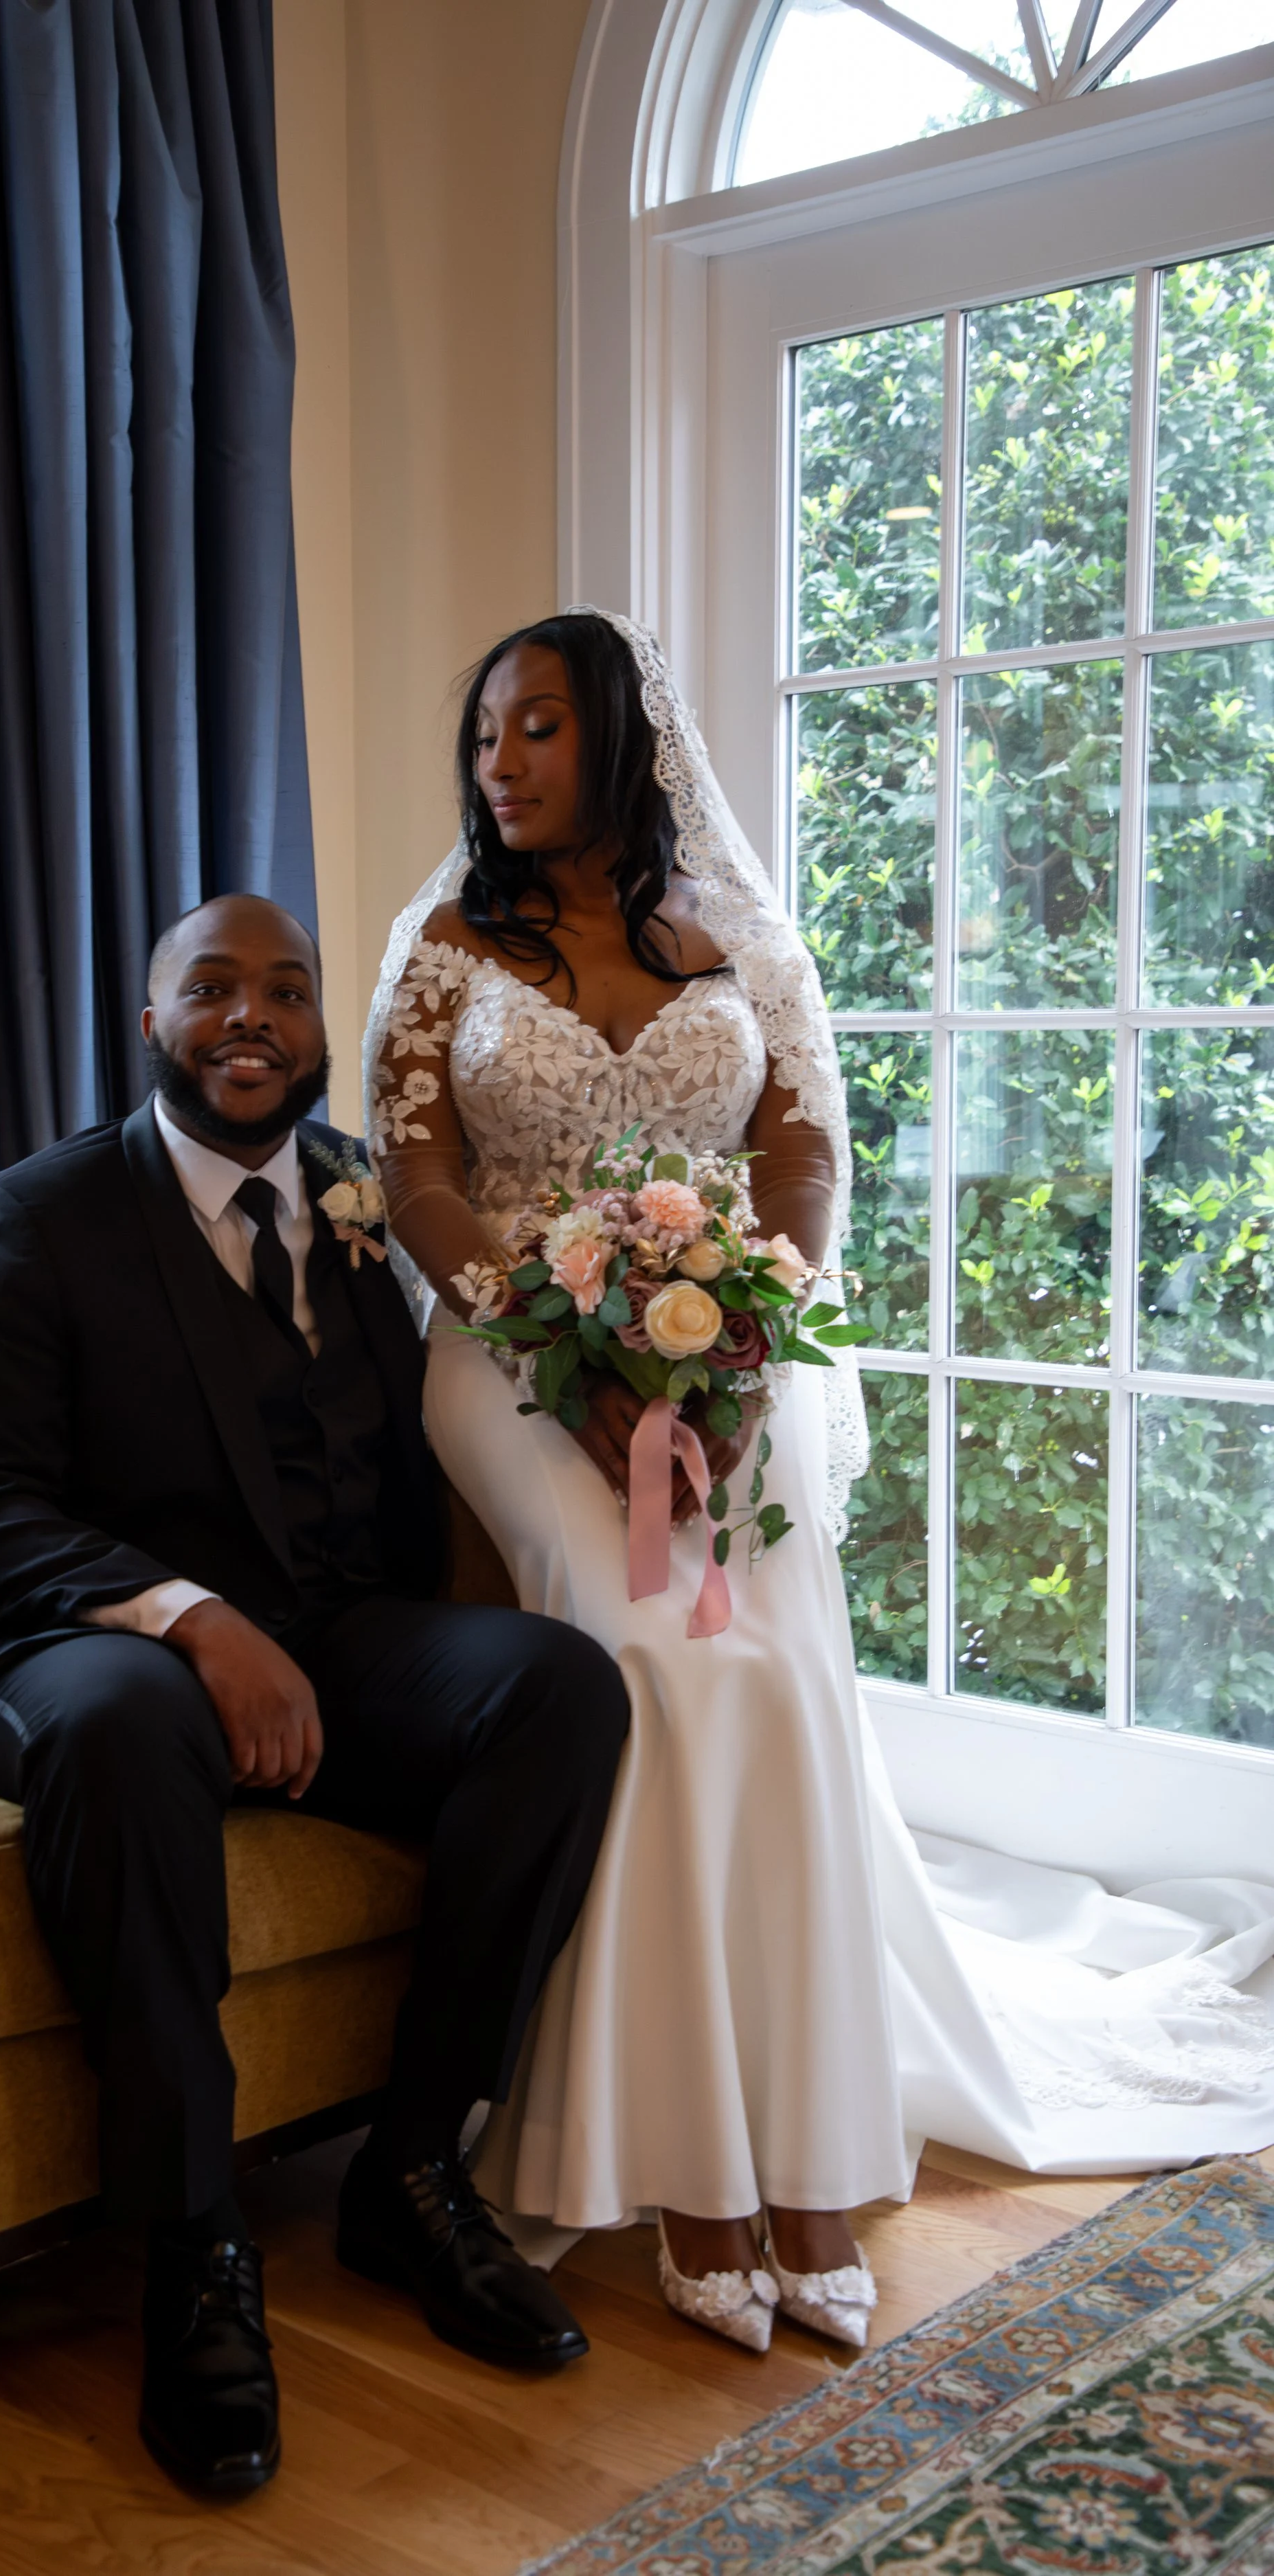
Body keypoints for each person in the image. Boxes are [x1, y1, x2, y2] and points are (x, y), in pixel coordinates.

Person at [366, 607, 1274, 2360]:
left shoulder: (734, 939)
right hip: (506, 1367)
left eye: (537, 727)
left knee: (768, 1673)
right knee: (649, 1658)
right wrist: (562, 1354)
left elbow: (801, 1157)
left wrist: (726, 1360)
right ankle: (690, 2172)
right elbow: (416, 1178)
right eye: (484, 735)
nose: (500, 763)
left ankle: (805, 2164)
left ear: (623, 740)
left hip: (721, 1361)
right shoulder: (445, 949)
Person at [0, 892, 631, 2497]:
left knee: (558, 1691)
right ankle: (192, 2244)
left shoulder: (359, 1199)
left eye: (286, 992)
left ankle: (412, 2171)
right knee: (128, 1715)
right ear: (150, 1023)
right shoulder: (39, 1214)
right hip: (68, 1636)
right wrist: (190, 1618)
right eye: (212, 989)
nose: (254, 1017)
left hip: (326, 1623)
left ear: (320, 1033)